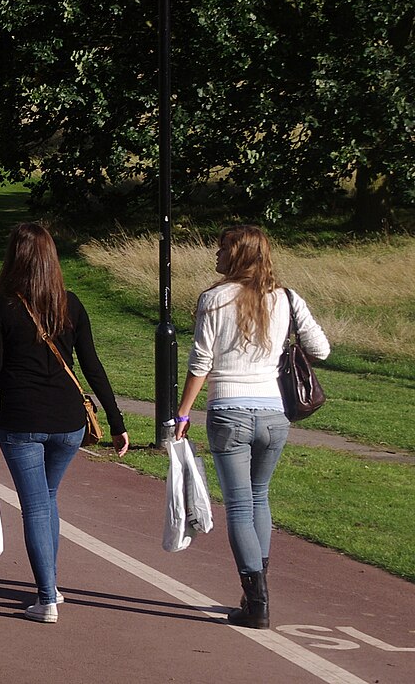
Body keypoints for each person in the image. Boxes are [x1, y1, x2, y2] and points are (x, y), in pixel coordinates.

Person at [174, 225, 329, 630]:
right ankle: (257, 592)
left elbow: (200, 364)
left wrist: (184, 414)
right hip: (275, 414)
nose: (216, 255)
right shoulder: (286, 298)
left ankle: (256, 602)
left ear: (238, 254)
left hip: (229, 411)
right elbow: (321, 349)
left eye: (222, 248)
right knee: (259, 499)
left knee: (239, 506)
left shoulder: (213, 299)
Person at [0, 222, 128, 623]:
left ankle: (46, 597)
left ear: (14, 258)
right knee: (48, 498)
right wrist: (116, 420)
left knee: (36, 508)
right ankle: (52, 585)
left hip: (21, 419)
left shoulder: (0, 305)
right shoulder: (70, 303)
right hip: (69, 421)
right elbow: (93, 366)